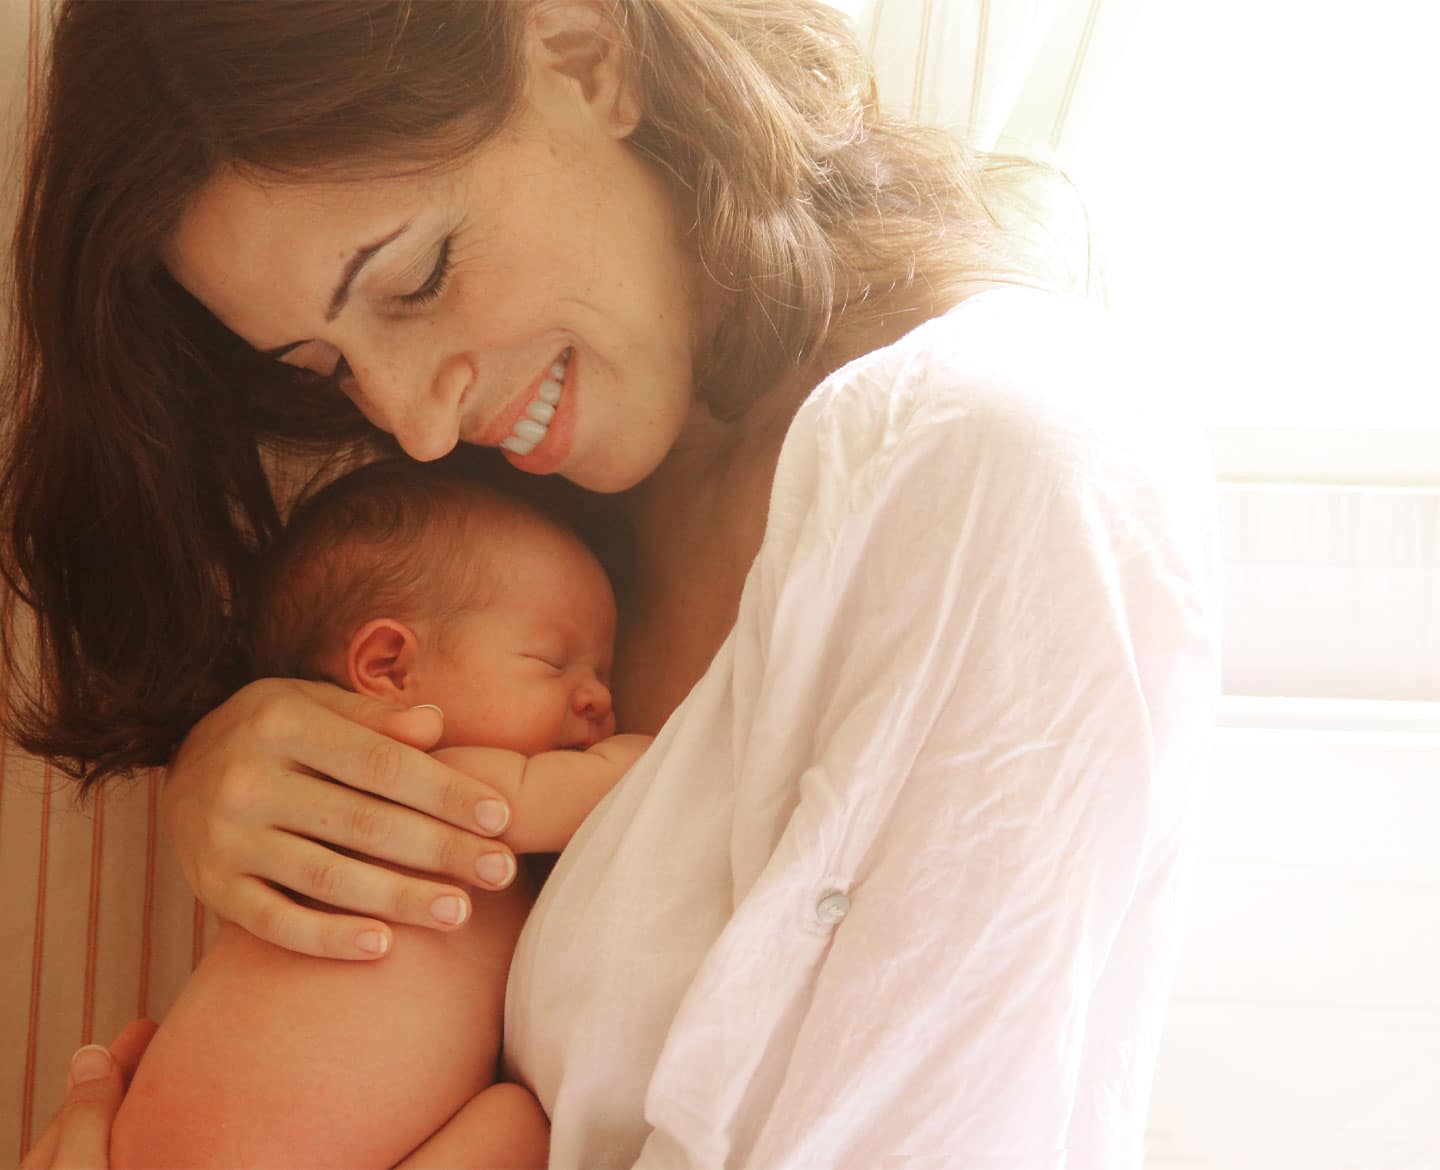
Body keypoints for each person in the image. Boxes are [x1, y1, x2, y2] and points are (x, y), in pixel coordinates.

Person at [1, 2, 1222, 1167]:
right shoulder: (543, 537)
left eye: (416, 279)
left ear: (589, 57)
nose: (418, 424)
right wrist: (249, 766)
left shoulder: (993, 464)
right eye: (327, 366)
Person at [110, 457, 649, 1169]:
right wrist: (654, 744)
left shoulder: (312, 815)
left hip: (164, 1138)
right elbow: (606, 790)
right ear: (392, 667)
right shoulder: (421, 785)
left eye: (603, 673)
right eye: (554, 663)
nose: (596, 700)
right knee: (521, 1125)